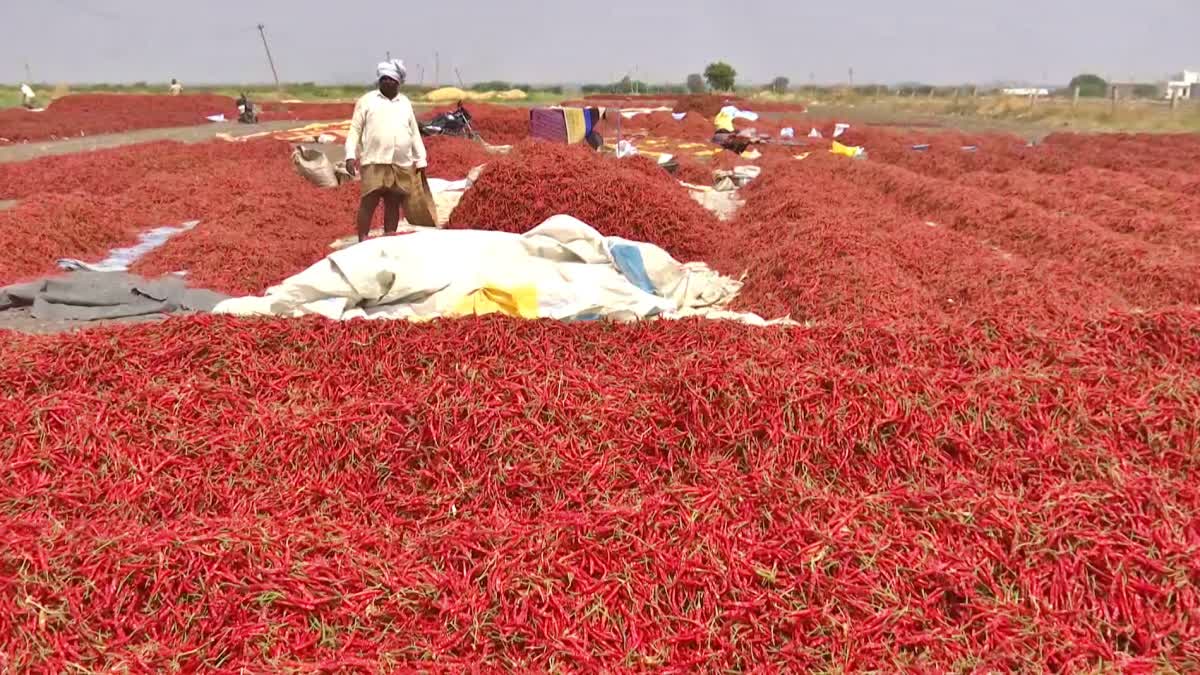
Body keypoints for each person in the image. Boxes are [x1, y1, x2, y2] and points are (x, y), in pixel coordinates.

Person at [344, 60, 429, 242]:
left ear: (398, 83)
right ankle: (363, 238)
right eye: (384, 79)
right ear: (379, 81)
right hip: (375, 160)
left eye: (392, 80)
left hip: (401, 162)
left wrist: (421, 159)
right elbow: (355, 130)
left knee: (393, 202)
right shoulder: (367, 101)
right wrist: (350, 155)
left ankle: (388, 239)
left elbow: (414, 132)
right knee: (369, 201)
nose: (388, 82)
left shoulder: (404, 102)